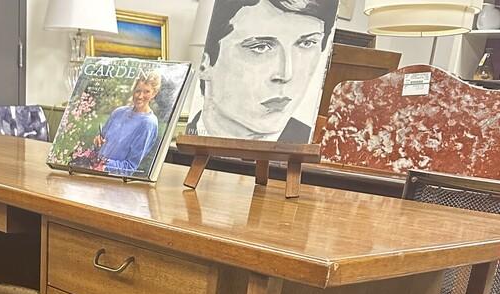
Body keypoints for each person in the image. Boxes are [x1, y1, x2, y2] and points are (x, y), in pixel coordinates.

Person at [186, 0, 339, 142]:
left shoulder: (312, 145)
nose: (286, 74)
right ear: (205, 64)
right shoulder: (177, 146)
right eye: (260, 47)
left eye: (307, 43)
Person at [92, 72, 162, 176]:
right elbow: (98, 147)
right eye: (138, 91)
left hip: (114, 182)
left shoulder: (148, 123)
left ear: (154, 93)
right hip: (94, 173)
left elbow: (129, 167)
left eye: (146, 92)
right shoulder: (119, 112)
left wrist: (100, 164)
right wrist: (96, 144)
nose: (140, 96)